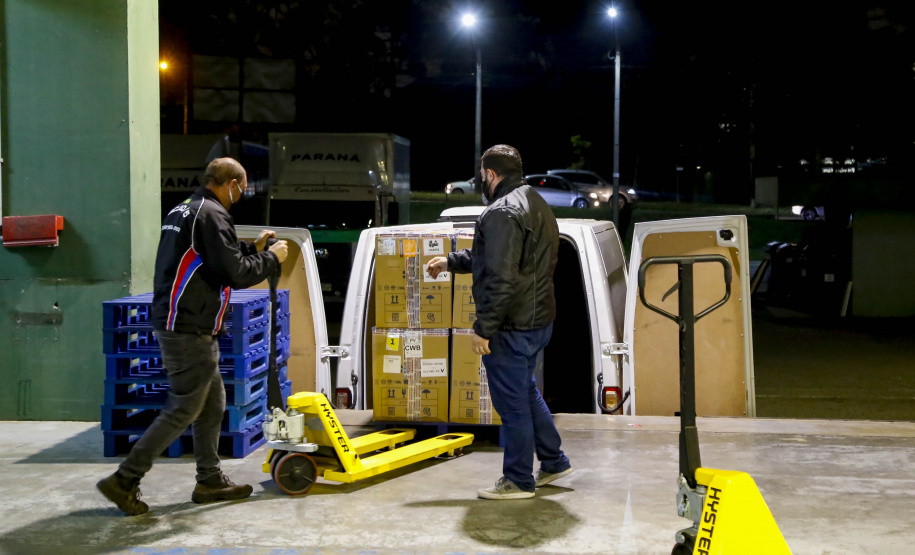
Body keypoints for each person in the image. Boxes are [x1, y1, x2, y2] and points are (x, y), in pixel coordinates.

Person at [97, 157, 288, 516]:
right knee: (184, 407)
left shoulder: (186, 210)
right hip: (188, 328)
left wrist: (252, 248)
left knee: (212, 402)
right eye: (240, 189)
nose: (240, 196)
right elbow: (235, 274)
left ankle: (209, 480)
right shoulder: (212, 214)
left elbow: (212, 260)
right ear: (230, 183)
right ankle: (125, 479)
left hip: (184, 323)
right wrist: (272, 259)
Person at [427, 145, 572, 500]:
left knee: (512, 406)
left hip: (511, 327)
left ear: (490, 174)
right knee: (525, 392)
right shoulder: (533, 200)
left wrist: (483, 328)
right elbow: (498, 258)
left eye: (481, 174)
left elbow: (501, 277)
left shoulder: (501, 212)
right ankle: (553, 462)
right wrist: (451, 261)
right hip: (537, 321)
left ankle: (519, 480)